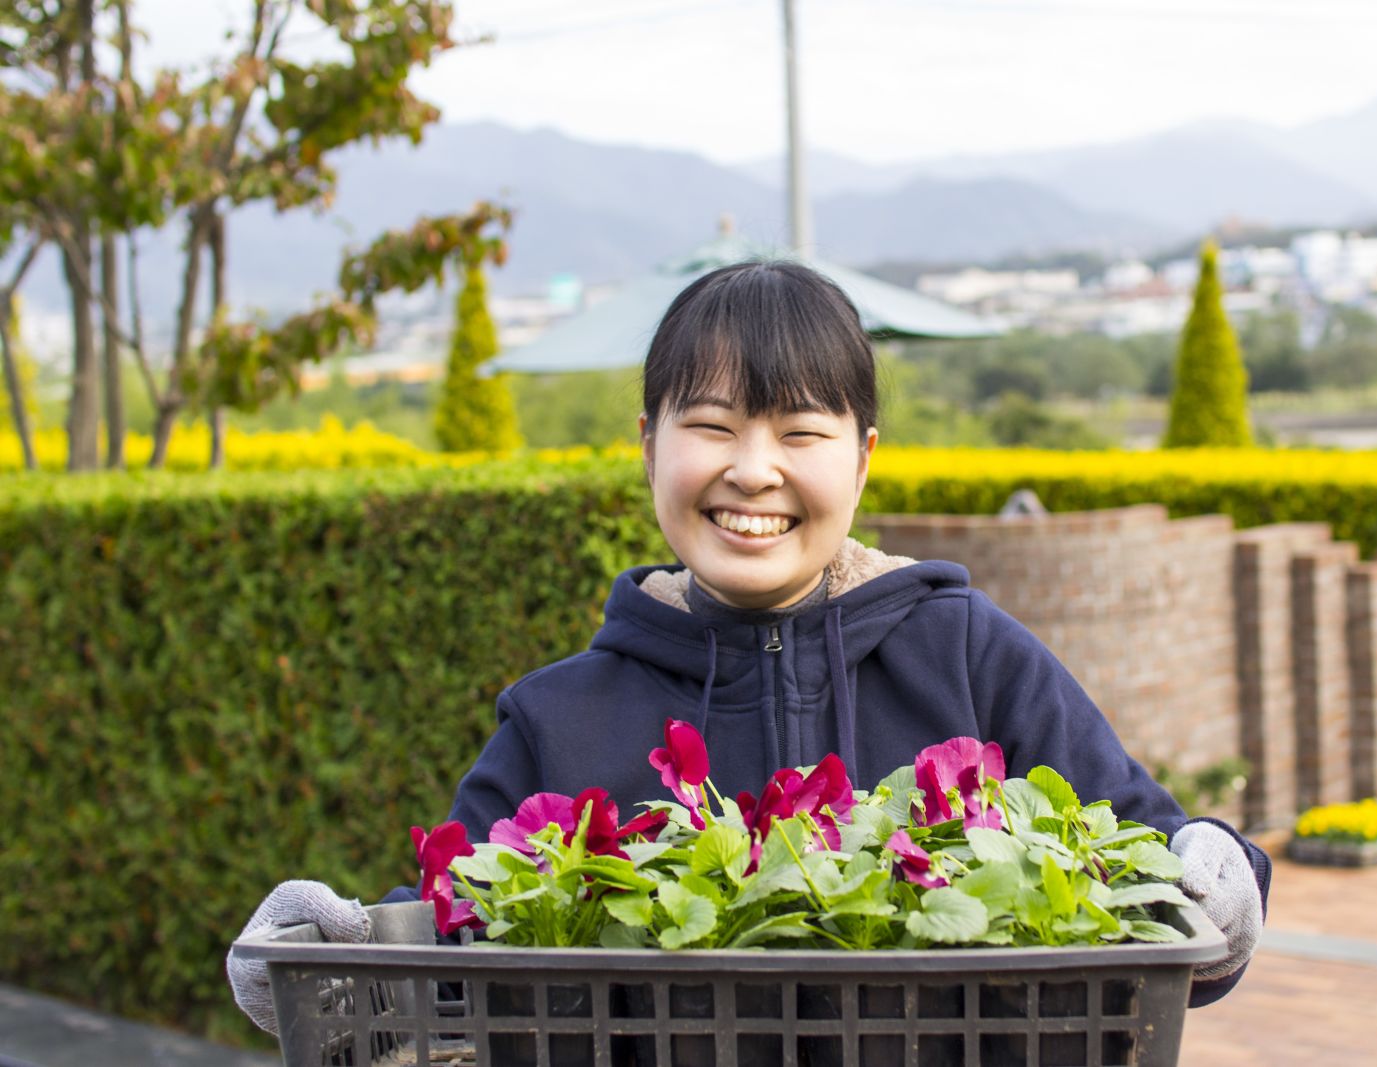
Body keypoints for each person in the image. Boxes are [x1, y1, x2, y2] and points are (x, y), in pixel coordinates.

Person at [228, 260, 1269, 1033]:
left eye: (800, 431)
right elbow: (437, 947)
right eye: (714, 426)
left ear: (860, 460)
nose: (753, 469)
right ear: (649, 447)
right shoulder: (558, 716)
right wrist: (318, 964)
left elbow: (1148, 873)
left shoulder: (963, 654)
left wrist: (1221, 872)